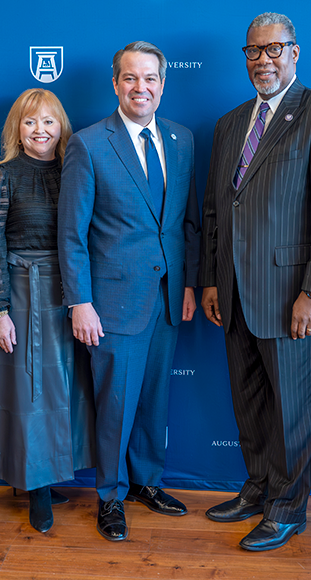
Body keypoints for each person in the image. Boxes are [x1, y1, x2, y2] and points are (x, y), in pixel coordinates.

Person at [199, 12, 311, 552]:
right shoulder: (229, 124)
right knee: (250, 401)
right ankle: (260, 487)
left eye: (274, 49)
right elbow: (216, 211)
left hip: (296, 296)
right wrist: (213, 280)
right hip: (236, 291)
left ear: (295, 52)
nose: (262, 60)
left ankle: (289, 508)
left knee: (293, 408)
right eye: (253, 51)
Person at [58, 41, 200, 542]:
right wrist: (80, 301)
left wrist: (187, 286)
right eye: (130, 79)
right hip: (112, 304)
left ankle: (146, 482)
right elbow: (71, 234)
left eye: (151, 79)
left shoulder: (181, 140)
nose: (141, 88)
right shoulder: (89, 143)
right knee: (115, 405)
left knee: (154, 401)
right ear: (115, 84)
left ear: (163, 84)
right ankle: (111, 496)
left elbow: (187, 224)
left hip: (166, 298)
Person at [0, 88, 95, 533]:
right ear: (16, 130)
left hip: (70, 296)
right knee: (30, 393)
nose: (39, 131)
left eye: (48, 122)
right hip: (21, 297)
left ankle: (49, 472)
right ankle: (35, 488)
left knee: (63, 391)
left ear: (62, 128)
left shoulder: (76, 172)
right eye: (29, 122)